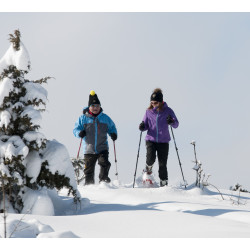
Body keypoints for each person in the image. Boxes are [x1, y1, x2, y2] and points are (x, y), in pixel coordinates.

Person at [73, 90, 117, 185]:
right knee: (88, 169)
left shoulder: (105, 118)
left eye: (97, 105)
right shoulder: (83, 118)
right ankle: (89, 185)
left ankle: (103, 181)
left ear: (100, 106)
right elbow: (75, 129)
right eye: (93, 106)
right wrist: (79, 133)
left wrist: (113, 133)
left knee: (105, 163)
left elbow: (112, 127)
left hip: (102, 147)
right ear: (89, 107)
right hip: (89, 149)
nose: (95, 108)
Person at [139, 88, 179, 187]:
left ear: (161, 102)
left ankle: (164, 184)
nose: (153, 104)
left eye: (155, 102)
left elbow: (176, 124)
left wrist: (171, 121)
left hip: (163, 141)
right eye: (152, 102)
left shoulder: (168, 111)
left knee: (162, 164)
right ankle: (148, 168)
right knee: (151, 158)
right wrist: (142, 126)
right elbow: (145, 124)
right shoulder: (148, 112)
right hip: (150, 139)